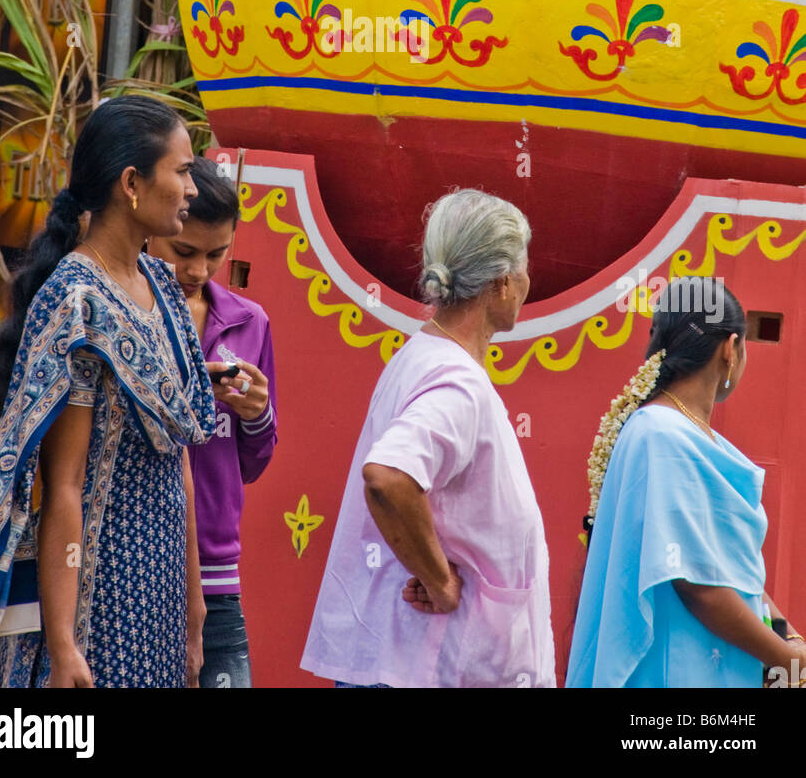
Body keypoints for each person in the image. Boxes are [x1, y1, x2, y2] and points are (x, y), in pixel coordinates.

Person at [0, 97, 239, 688]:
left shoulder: (158, 283)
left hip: (160, 587)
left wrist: (193, 597)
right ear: (132, 183)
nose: (191, 188)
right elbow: (65, 486)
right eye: (181, 172)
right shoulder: (76, 302)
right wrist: (63, 646)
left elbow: (175, 449)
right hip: (96, 597)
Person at [301, 188, 555, 689]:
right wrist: (439, 580)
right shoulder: (456, 379)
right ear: (503, 282)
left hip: (413, 655)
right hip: (423, 662)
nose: (529, 281)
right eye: (524, 268)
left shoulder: (425, 355)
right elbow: (388, 476)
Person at [566, 277, 806, 688]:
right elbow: (698, 585)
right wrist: (787, 660)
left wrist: (786, 635)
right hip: (673, 672)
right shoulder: (662, 435)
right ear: (730, 350)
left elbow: (731, 574)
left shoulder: (675, 433)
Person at [147, 156, 277, 689]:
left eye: (216, 254)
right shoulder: (129, 313)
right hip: (141, 555)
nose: (198, 270)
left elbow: (254, 463)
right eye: (185, 252)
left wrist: (257, 413)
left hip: (218, 571)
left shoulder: (251, 323)